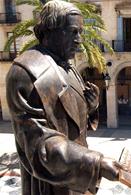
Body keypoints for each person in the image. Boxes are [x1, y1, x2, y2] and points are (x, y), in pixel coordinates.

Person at [6, 1, 120, 194]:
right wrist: (95, 163)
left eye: (80, 33)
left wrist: (90, 107)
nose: (79, 40)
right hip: (51, 184)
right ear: (50, 31)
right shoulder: (25, 73)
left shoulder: (70, 68)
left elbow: (71, 120)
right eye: (73, 31)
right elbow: (39, 144)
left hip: (76, 179)